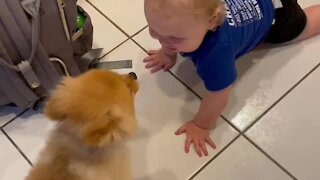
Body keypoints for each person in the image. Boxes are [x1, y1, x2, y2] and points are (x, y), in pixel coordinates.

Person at [143, 0, 320, 157]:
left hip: (278, 11)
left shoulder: (215, 54)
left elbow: (219, 95)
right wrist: (167, 54)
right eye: (154, 30)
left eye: (175, 38)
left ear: (212, 22)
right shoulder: (184, 21)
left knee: (306, 25)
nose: (163, 41)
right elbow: (166, 37)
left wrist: (201, 125)